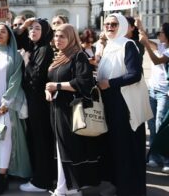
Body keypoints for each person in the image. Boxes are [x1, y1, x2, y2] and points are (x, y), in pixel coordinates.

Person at [46, 24, 101, 196]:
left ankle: (67, 188)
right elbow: (52, 80)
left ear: (71, 37)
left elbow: (84, 82)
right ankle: (65, 187)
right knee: (60, 148)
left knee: (68, 149)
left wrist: (57, 86)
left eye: (62, 36)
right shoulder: (59, 56)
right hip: (57, 108)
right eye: (56, 36)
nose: (58, 39)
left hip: (71, 109)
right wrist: (48, 90)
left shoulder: (78, 56)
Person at [96, 13, 148, 196]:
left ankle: (129, 190)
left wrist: (109, 83)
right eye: (107, 24)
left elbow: (135, 74)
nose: (109, 27)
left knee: (125, 150)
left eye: (114, 24)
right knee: (115, 149)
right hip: (111, 104)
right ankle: (118, 186)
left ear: (124, 26)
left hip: (124, 106)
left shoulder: (128, 45)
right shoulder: (109, 46)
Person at [0, 23, 31, 195]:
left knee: (5, 137)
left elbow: (15, 80)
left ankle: (2, 178)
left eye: (3, 31)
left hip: (7, 105)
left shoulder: (15, 56)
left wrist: (5, 103)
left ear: (9, 35)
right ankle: (2, 171)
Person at [14, 17, 56, 193]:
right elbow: (16, 39)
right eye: (31, 28)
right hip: (34, 101)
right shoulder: (36, 47)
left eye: (37, 28)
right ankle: (41, 176)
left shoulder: (44, 50)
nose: (32, 31)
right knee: (36, 139)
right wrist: (23, 26)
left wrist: (25, 62)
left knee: (40, 141)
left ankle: (42, 181)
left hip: (39, 102)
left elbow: (35, 77)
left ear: (45, 31)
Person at [138, 20, 169, 173]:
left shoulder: (167, 51)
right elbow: (147, 41)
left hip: (164, 93)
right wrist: (140, 27)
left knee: (160, 125)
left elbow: (157, 61)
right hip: (153, 90)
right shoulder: (162, 46)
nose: (158, 35)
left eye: (160, 33)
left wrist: (146, 45)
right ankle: (154, 157)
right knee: (151, 125)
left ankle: (165, 157)